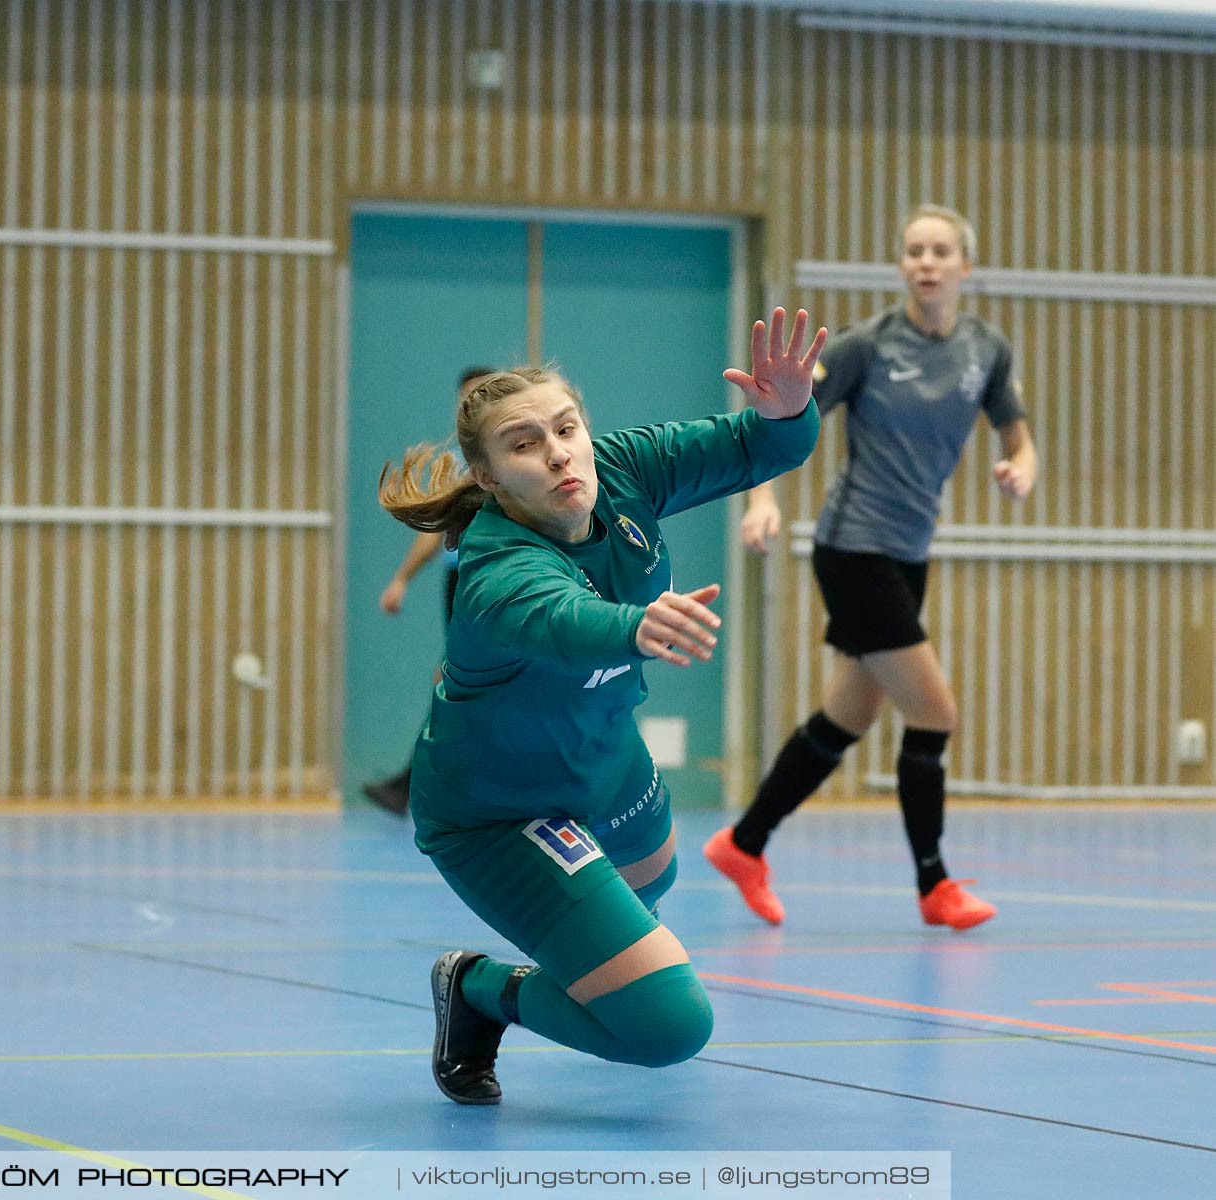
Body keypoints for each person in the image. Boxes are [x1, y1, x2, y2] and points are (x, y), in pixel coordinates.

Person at [379, 309, 826, 1104]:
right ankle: (479, 988)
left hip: (607, 761)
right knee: (669, 1026)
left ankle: (578, 948)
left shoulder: (620, 468)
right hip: (495, 811)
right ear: (486, 476)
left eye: (566, 428)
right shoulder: (495, 570)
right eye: (525, 444)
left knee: (650, 883)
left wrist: (787, 407)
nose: (557, 454)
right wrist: (638, 624)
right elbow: (564, 620)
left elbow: (766, 447)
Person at [704, 205, 1038, 932]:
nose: (926, 262)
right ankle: (935, 885)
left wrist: (1022, 467)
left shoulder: (987, 349)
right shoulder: (866, 348)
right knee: (935, 712)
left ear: (963, 266)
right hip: (854, 547)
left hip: (910, 552)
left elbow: (1017, 431)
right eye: (914, 250)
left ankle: (743, 843)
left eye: (940, 250)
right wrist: (762, 502)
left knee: (849, 713)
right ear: (901, 267)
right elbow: (783, 418)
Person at [362, 365, 496, 816]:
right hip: (460, 579)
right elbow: (437, 530)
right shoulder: (463, 460)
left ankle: (417, 786)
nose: (469, 406)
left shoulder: (512, 454)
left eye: (478, 395)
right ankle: (419, 786)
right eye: (464, 399)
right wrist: (401, 578)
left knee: (465, 680)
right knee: (457, 679)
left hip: (494, 577)